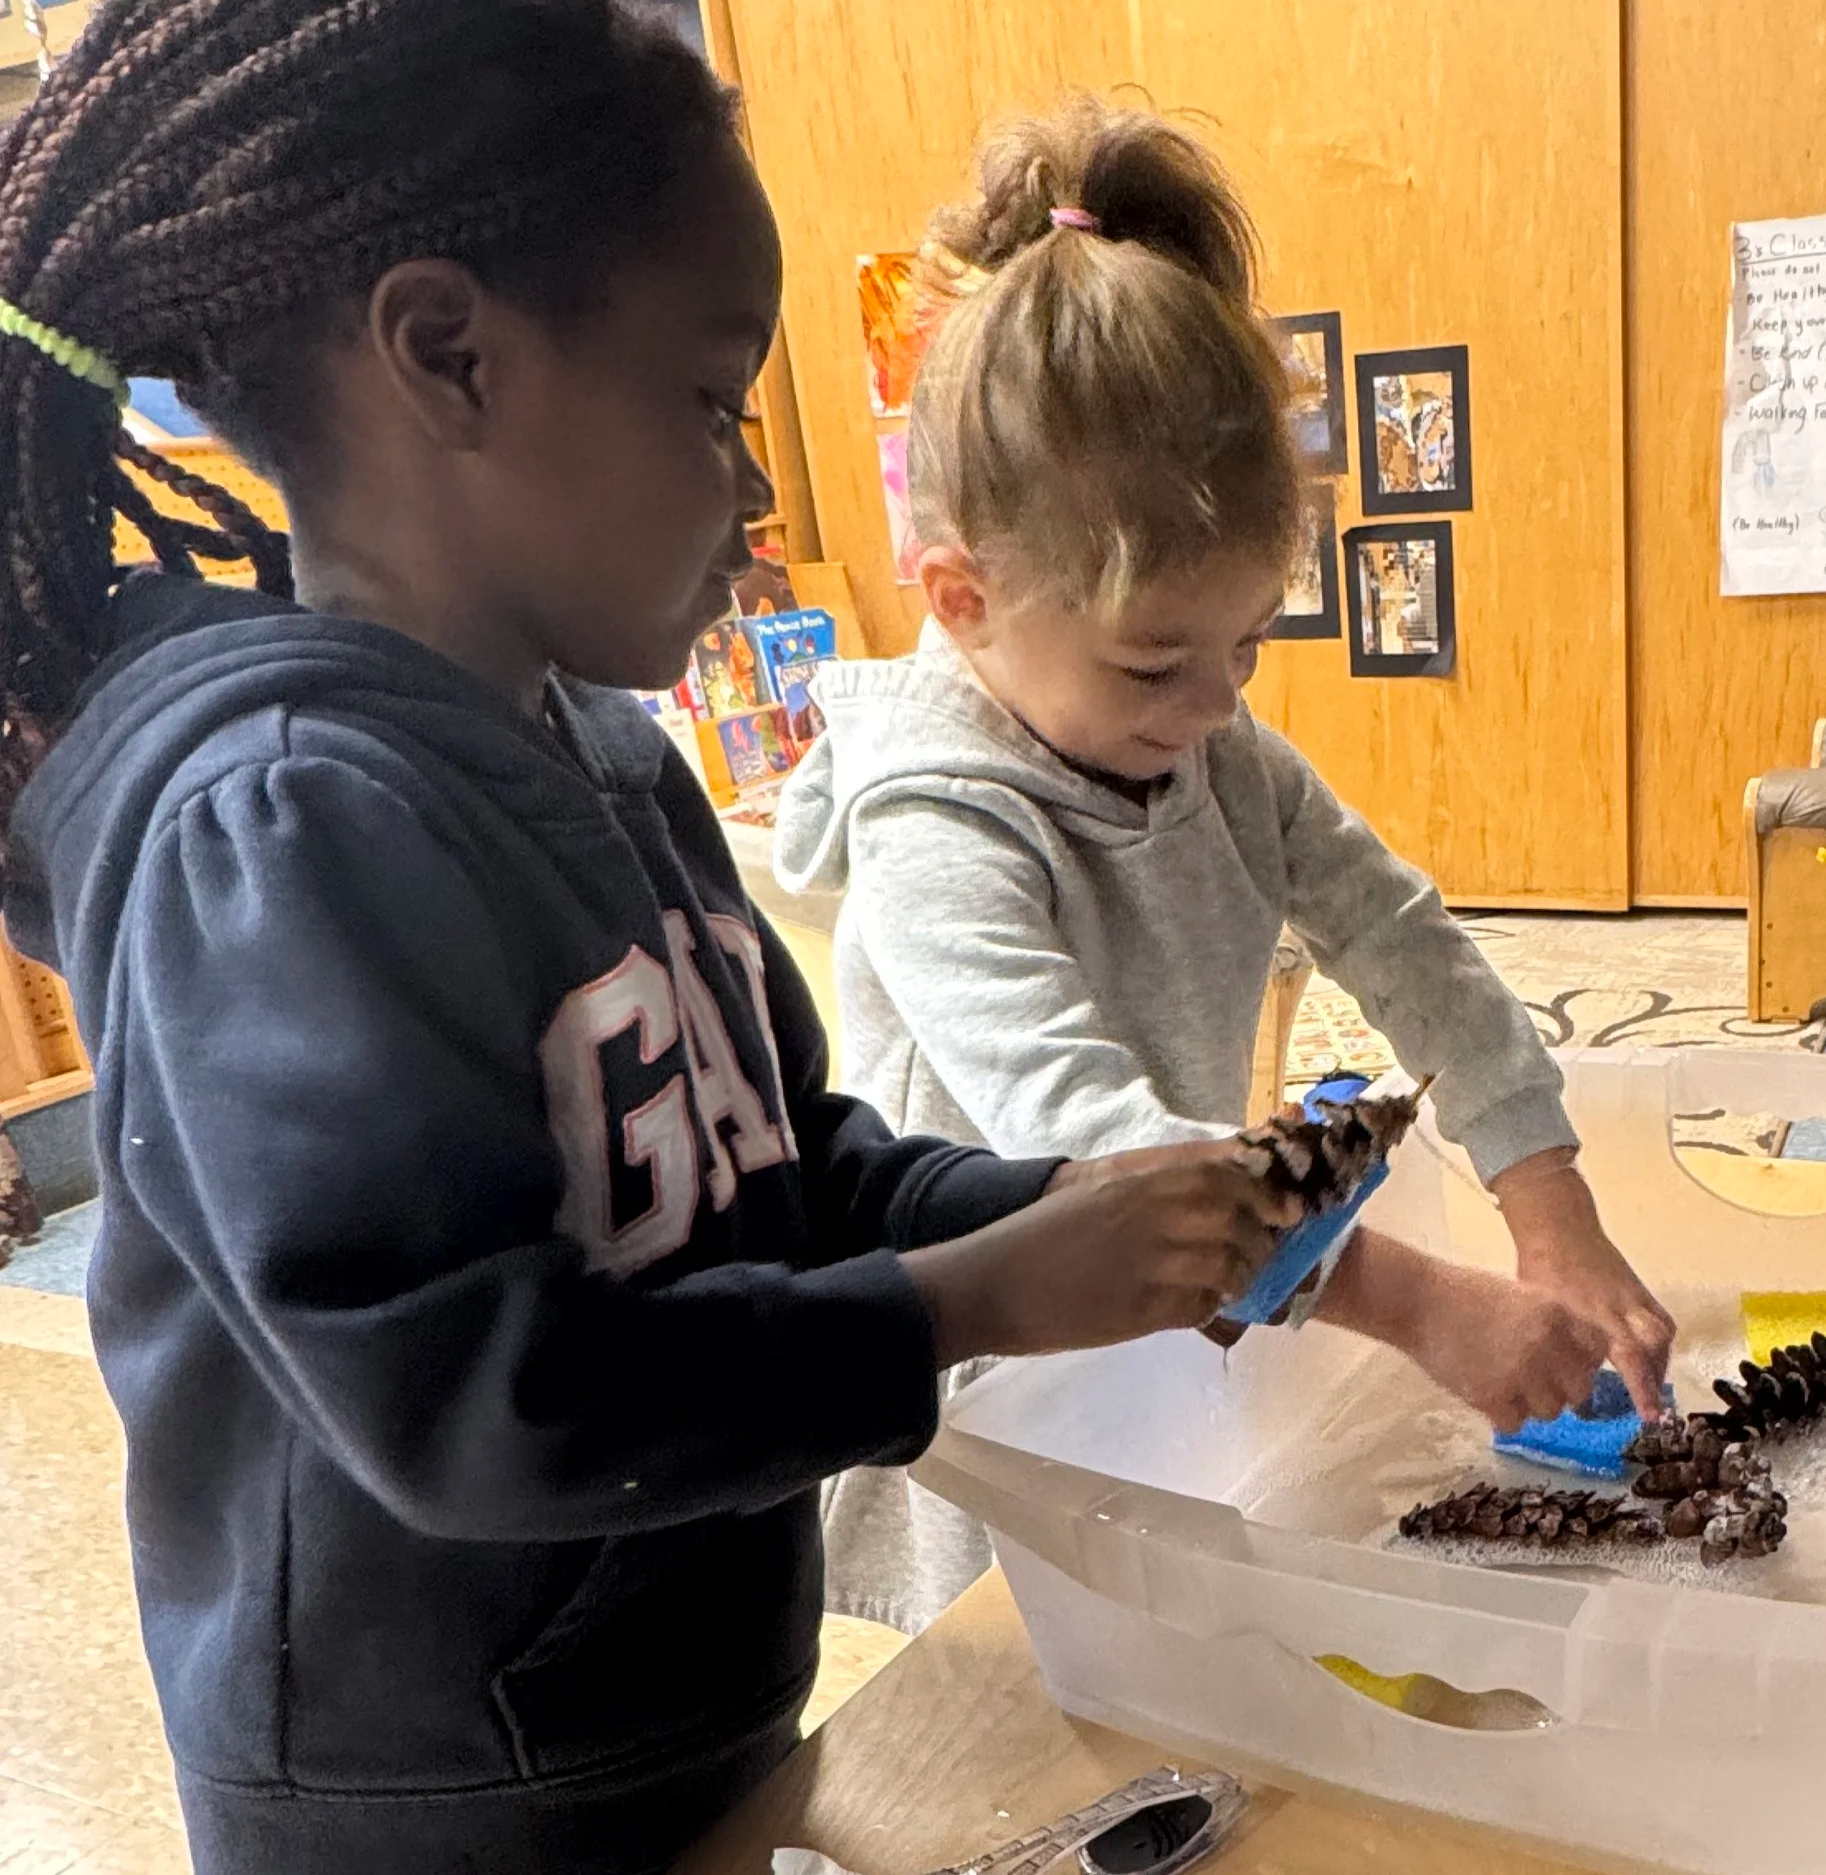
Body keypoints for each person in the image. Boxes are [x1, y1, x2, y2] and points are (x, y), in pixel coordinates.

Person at [0, 8, 1289, 1872]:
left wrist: (1043, 1207)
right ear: (449, 357)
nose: (755, 491)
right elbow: (474, 1393)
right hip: (429, 1797)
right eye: (709, 403)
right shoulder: (277, 825)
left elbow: (784, 1163)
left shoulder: (604, 754)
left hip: (673, 1705)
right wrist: (976, 1301)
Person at [774, 98, 1673, 1634]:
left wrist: (1546, 1196)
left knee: (1181, 1635)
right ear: (962, 595)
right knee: (1021, 1689)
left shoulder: (1211, 751)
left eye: (1248, 645)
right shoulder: (933, 823)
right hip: (998, 1369)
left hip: (1192, 1298)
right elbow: (1099, 1143)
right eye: (1155, 666)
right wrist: (1414, 1300)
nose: (1215, 710)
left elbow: (1404, 938)